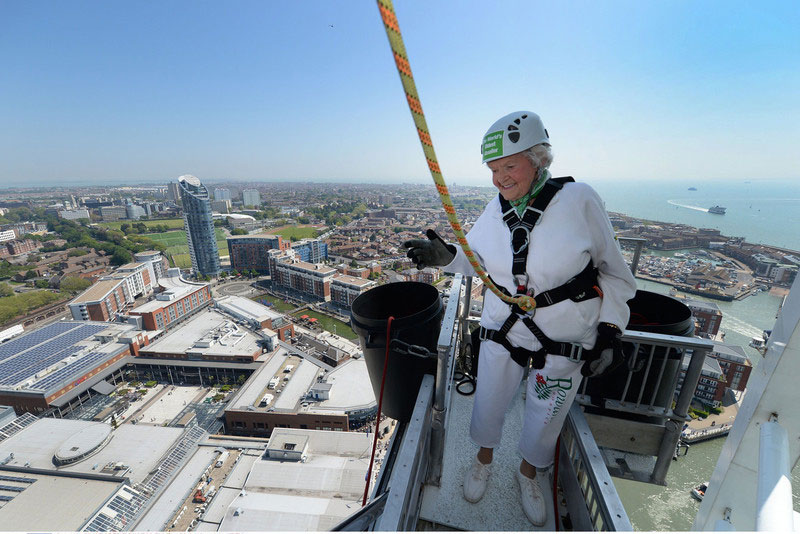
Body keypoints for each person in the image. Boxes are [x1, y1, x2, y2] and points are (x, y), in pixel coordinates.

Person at [403, 111, 636, 526]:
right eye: (494, 169)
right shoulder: (496, 210)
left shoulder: (579, 201)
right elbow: (477, 260)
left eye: (509, 166)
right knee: (488, 402)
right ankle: (483, 461)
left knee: (547, 414)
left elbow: (615, 274)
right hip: (504, 331)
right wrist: (449, 257)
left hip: (564, 337)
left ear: (538, 159)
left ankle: (529, 474)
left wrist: (610, 331)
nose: (500, 179)